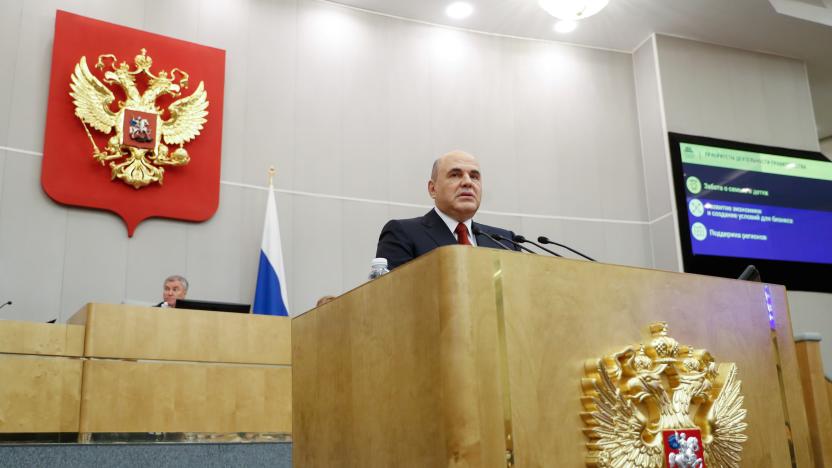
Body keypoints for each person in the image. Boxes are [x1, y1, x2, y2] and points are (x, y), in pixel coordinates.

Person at [376, 150, 520, 270]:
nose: (467, 182)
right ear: (433, 189)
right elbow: (394, 299)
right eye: (455, 175)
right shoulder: (402, 234)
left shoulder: (506, 242)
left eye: (474, 177)